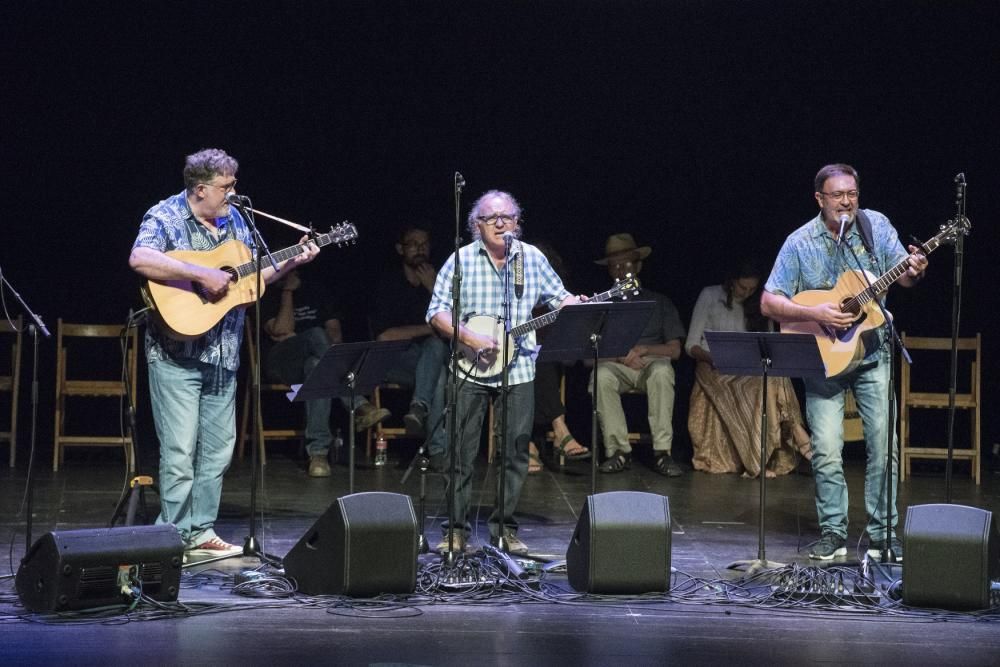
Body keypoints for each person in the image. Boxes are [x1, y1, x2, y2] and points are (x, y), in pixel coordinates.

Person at [129, 148, 319, 557]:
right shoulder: (165, 216)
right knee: (180, 451)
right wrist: (200, 273)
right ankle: (173, 535)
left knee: (217, 450)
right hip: (175, 353)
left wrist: (291, 261)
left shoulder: (235, 222)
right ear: (200, 189)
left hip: (223, 356)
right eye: (226, 186)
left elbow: (251, 278)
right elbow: (140, 258)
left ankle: (202, 530)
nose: (234, 193)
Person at [761, 163, 928, 561]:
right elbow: (770, 301)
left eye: (852, 194)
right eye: (838, 195)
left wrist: (915, 270)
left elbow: (900, 276)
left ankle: (884, 536)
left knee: (884, 445)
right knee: (827, 448)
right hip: (825, 355)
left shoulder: (874, 226)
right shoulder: (800, 242)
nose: (847, 202)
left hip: (873, 353)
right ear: (820, 199)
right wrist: (816, 312)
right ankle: (833, 534)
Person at [427, 190, 585, 555]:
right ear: (476, 225)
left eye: (508, 217)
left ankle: (504, 530)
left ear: (517, 223)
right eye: (491, 218)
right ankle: (456, 530)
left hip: (519, 367)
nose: (500, 223)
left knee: (515, 452)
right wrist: (469, 336)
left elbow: (557, 297)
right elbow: (437, 313)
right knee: (460, 452)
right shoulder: (460, 261)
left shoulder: (530, 258)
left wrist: (574, 304)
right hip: (469, 366)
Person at [261, 266, 389, 478]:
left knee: (317, 366)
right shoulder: (268, 293)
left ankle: (318, 455)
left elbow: (335, 336)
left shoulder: (315, 291)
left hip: (315, 360)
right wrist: (287, 293)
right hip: (281, 363)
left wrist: (306, 338)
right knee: (315, 334)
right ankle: (357, 402)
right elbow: (281, 329)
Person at [686, 262, 811, 477]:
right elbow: (691, 345)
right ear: (731, 282)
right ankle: (802, 442)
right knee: (762, 384)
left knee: (777, 377)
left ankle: (778, 449)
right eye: (743, 288)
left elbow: (769, 344)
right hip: (712, 367)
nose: (746, 293)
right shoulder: (710, 295)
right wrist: (712, 357)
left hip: (747, 368)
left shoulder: (759, 302)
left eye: (752, 289)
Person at [591, 233, 686, 477]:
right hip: (616, 364)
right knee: (600, 376)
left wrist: (645, 350)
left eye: (627, 264)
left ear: (639, 265)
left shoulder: (659, 301)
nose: (622, 270)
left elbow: (675, 350)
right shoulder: (602, 303)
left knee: (663, 371)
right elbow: (588, 351)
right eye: (615, 266)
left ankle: (663, 452)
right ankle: (618, 451)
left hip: (650, 363)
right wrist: (621, 356)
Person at [369, 226, 448, 464]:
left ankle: (418, 408)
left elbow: (460, 325)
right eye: (413, 243)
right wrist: (430, 328)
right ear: (400, 249)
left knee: (435, 350)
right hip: (397, 361)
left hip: (434, 358)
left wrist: (434, 289)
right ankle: (437, 452)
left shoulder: (439, 282)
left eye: (424, 243)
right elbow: (384, 336)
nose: (420, 248)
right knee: (439, 373)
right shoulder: (389, 285)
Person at [528, 240, 590, 472]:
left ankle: (529, 443)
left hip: (547, 364)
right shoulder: (510, 296)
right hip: (506, 360)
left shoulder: (555, 302)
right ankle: (559, 430)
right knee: (527, 364)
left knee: (541, 361)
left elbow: (569, 353)